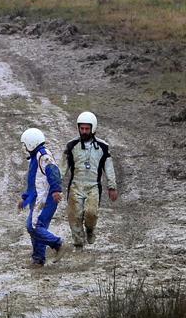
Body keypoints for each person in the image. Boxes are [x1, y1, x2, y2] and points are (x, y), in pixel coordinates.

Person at [61, 112, 118, 250]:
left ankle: (90, 229)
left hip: (93, 186)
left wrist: (112, 187)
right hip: (76, 186)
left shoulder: (103, 147)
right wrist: (55, 185)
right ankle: (78, 245)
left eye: (87, 129)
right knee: (74, 216)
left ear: (93, 129)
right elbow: (62, 168)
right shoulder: (71, 146)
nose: (84, 131)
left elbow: (109, 168)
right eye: (82, 129)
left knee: (91, 213)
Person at [18, 128, 65, 267]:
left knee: (33, 227)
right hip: (39, 198)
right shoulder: (36, 157)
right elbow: (33, 181)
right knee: (38, 228)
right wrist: (25, 198)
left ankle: (58, 244)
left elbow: (54, 171)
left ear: (31, 143)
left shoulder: (43, 156)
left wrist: (56, 190)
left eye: (25, 145)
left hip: (45, 199)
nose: (24, 148)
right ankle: (38, 259)